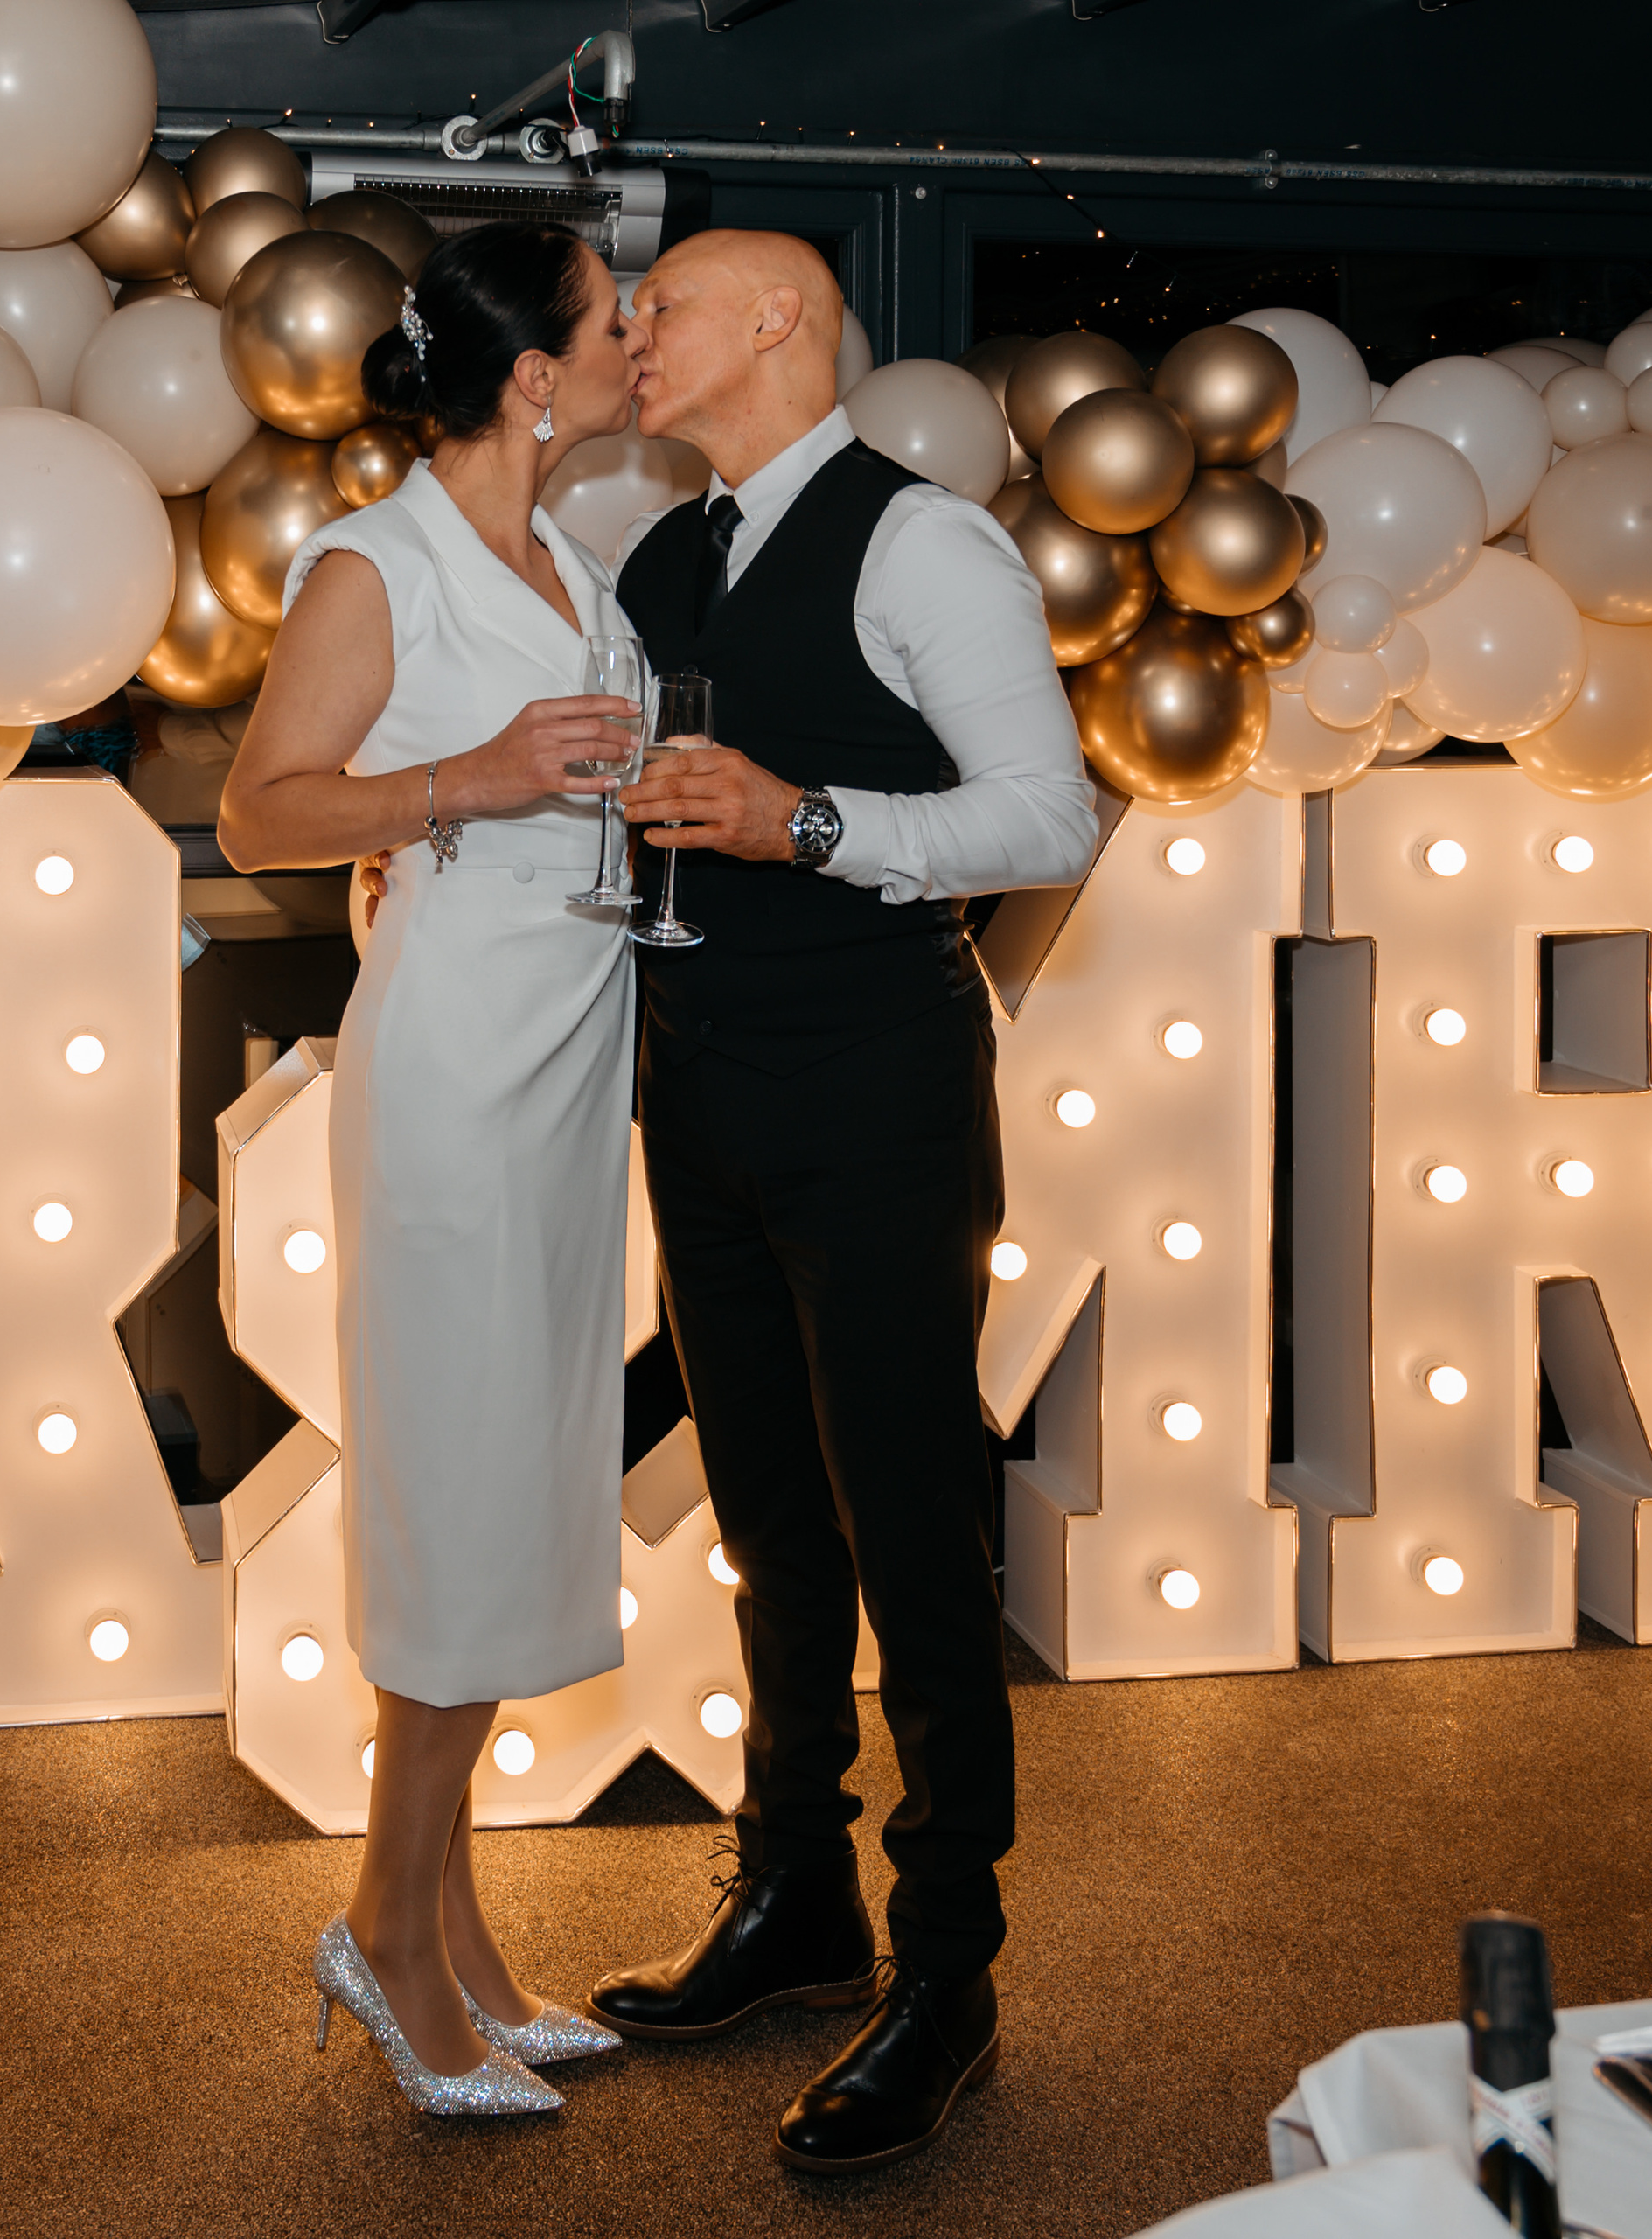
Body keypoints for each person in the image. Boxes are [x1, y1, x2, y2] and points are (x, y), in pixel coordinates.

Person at [580, 232, 1100, 2174]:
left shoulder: (922, 545)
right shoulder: (661, 559)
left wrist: (804, 819)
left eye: (664, 309)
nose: (634, 339)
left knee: (906, 1530)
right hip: (696, 1090)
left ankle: (944, 1970)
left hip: (878, 1097)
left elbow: (1043, 813)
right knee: (770, 1524)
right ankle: (796, 1891)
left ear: (780, 320)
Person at [217, 223, 648, 2118]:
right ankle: (389, 1928)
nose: (639, 341)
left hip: (566, 1055)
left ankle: (454, 1924)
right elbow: (256, 808)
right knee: (462, 1481)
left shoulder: (570, 553)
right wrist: (457, 783)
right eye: (615, 319)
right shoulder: (371, 562)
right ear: (536, 375)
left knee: (521, 1473)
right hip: (461, 1066)